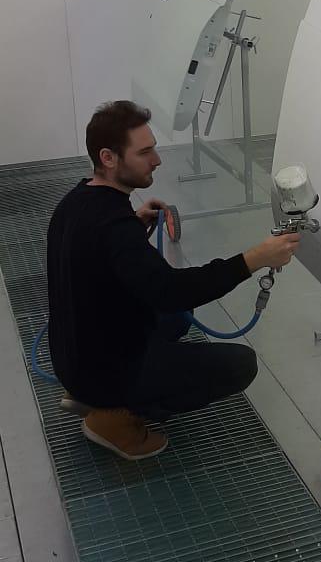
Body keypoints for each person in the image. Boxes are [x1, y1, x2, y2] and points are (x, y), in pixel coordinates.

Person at [46, 100, 300, 461]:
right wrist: (256, 258)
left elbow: (96, 255)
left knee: (180, 318)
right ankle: (112, 417)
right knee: (240, 364)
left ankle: (90, 393)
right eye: (144, 152)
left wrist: (134, 228)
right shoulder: (115, 229)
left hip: (75, 353)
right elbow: (173, 291)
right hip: (103, 369)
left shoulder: (77, 201)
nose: (157, 160)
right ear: (108, 158)